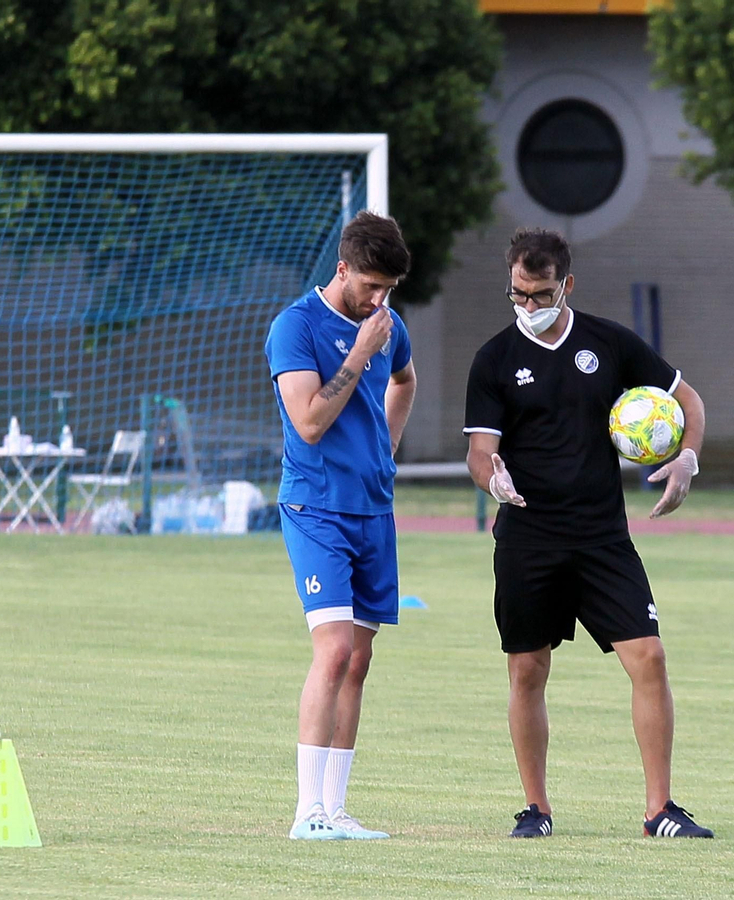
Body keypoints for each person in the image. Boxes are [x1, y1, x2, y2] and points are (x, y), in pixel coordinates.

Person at [463, 228, 712, 839]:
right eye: (517, 294)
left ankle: (660, 811)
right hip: (528, 538)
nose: (527, 306)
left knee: (648, 657)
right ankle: (536, 810)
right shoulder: (494, 358)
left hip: (602, 536)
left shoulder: (609, 342)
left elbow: (688, 402)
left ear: (566, 285)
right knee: (527, 670)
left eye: (540, 294)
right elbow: (479, 451)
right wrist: (492, 480)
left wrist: (687, 459)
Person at [264, 211, 416, 840]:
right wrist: (358, 352)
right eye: (371, 286)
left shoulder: (389, 327)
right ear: (343, 267)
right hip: (315, 507)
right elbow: (309, 422)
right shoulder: (295, 326)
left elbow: (405, 379)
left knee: (359, 660)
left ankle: (336, 810)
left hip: (373, 509)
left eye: (390, 290)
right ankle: (306, 813)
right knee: (332, 653)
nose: (379, 301)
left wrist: (387, 452)